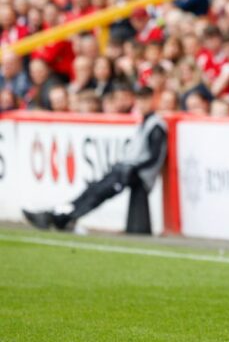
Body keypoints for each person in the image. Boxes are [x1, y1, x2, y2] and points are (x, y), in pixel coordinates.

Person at [22, 87, 168, 234]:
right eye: (140, 100)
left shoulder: (155, 125)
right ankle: (62, 213)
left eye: (145, 100)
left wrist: (134, 169)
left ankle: (63, 217)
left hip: (138, 174)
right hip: (128, 170)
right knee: (95, 188)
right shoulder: (146, 123)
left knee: (99, 191)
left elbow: (155, 158)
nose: (142, 104)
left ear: (152, 101)